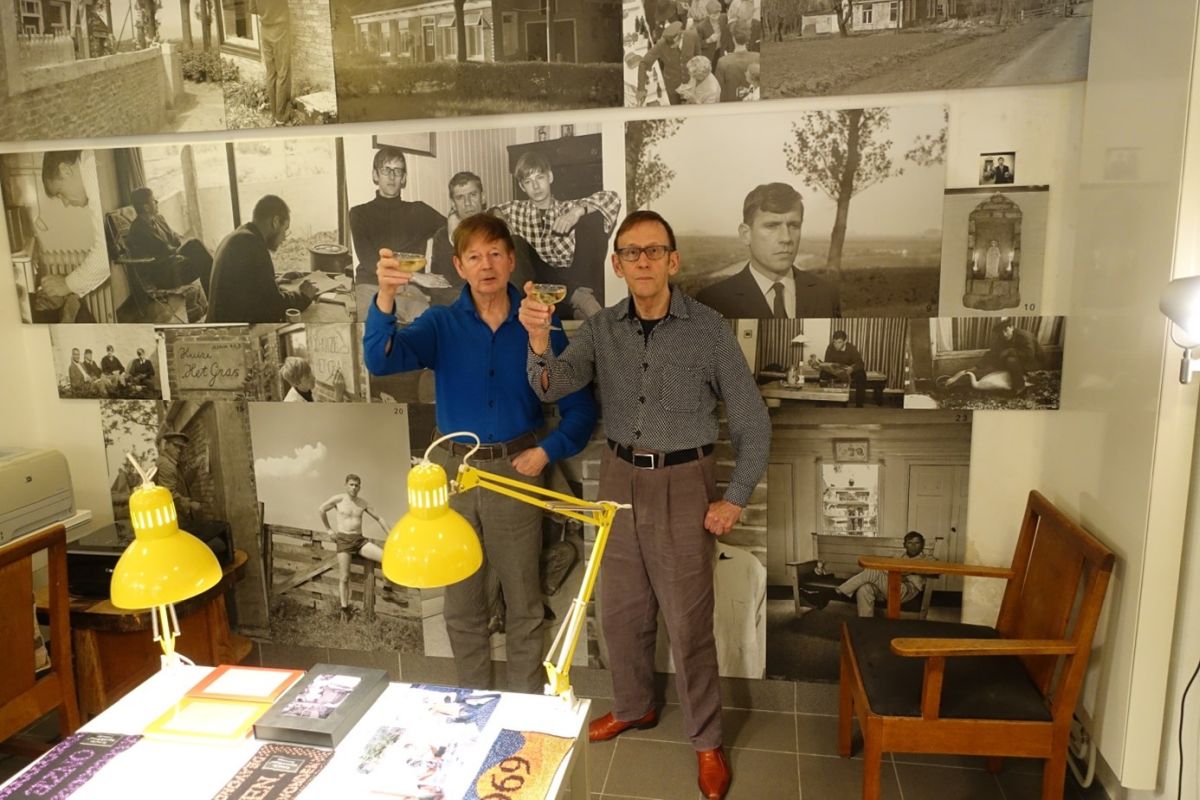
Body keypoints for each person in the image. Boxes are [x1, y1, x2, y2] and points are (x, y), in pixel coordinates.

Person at [519, 209, 771, 800]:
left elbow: (753, 423)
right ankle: (635, 707)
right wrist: (538, 341)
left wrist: (734, 499)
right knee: (621, 612)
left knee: (688, 624)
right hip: (618, 479)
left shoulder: (709, 330)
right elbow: (554, 386)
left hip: (685, 483)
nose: (643, 261)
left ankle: (707, 741)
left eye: (654, 251)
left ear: (672, 261)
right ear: (617, 264)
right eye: (631, 252)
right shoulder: (601, 328)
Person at [363, 214, 597, 694]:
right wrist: (385, 296)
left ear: (511, 261)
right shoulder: (441, 324)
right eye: (474, 256)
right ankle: (473, 704)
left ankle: (523, 709)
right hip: (456, 476)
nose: (486, 265)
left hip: (518, 474)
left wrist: (545, 452)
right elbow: (379, 360)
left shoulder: (541, 326)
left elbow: (580, 410)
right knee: (462, 604)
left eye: (495, 254)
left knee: (524, 603)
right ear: (459, 266)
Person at [489, 150, 620, 320]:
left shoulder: (566, 208)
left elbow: (612, 198)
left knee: (591, 216)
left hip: (570, 277)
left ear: (550, 177)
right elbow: (490, 211)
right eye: (528, 182)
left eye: (540, 178)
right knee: (515, 242)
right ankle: (579, 301)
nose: (536, 186)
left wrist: (576, 213)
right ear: (522, 187)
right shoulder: (515, 210)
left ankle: (578, 304)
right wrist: (502, 223)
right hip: (537, 286)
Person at [696, 183, 840, 319]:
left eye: (794, 226)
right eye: (772, 226)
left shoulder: (826, 294)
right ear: (746, 234)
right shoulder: (712, 302)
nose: (786, 238)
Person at [208, 195, 319, 323]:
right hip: (232, 332)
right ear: (275, 222)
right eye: (285, 230)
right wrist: (303, 295)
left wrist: (274, 282)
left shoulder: (240, 236)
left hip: (222, 324)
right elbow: (273, 308)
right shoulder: (252, 244)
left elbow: (247, 289)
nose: (284, 238)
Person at [428, 171, 537, 302]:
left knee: (516, 242)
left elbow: (521, 279)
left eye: (473, 195)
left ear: (483, 197)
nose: (467, 203)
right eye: (460, 198)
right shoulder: (443, 236)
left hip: (504, 300)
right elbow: (439, 285)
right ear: (453, 203)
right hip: (464, 303)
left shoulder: (500, 230)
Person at [349, 147, 445, 286]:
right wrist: (414, 276)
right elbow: (371, 262)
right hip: (373, 285)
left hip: (410, 290)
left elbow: (456, 232)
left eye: (397, 171)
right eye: (386, 170)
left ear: (403, 178)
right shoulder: (359, 214)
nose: (392, 176)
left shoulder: (420, 211)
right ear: (375, 175)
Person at [33, 150, 110, 323]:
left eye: (60, 193)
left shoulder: (93, 177)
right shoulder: (92, 164)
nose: (65, 203)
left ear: (66, 170)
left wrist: (66, 284)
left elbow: (105, 254)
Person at [318, 474, 388, 621]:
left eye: (356, 485)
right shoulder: (338, 499)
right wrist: (329, 530)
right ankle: (344, 610)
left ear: (360, 487)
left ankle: (387, 589)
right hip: (344, 540)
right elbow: (321, 509)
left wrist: (391, 535)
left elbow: (379, 518)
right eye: (351, 484)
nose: (354, 488)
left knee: (387, 558)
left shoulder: (363, 503)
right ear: (346, 485)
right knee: (344, 577)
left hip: (359, 541)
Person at [126, 186, 215, 298]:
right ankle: (216, 299)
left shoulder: (159, 219)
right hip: (162, 274)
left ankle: (214, 299)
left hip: (175, 264)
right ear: (146, 207)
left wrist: (176, 249)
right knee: (197, 249)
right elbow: (158, 252)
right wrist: (176, 251)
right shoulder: (137, 230)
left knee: (204, 261)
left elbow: (175, 239)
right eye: (153, 200)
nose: (157, 202)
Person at [836, 531, 933, 617]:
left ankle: (840, 591)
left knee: (873, 571)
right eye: (910, 543)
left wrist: (907, 573)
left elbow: (932, 572)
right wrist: (898, 573)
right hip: (891, 585)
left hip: (907, 590)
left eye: (917, 543)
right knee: (864, 588)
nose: (913, 546)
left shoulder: (928, 559)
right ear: (904, 545)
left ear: (922, 544)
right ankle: (866, 623)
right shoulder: (899, 557)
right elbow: (887, 571)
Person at [939, 317, 1041, 395]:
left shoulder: (1024, 336)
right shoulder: (1001, 339)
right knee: (989, 368)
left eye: (1006, 330)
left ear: (1012, 327)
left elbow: (1030, 355)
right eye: (1001, 332)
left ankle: (1020, 387)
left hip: (1031, 363)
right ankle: (959, 382)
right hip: (1015, 361)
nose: (1004, 334)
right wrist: (976, 367)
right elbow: (992, 354)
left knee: (1011, 360)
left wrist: (1010, 351)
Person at [250, 0, 292, 124]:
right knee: (282, 72)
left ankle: (274, 114)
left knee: (271, 73)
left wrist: (267, 13)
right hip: (280, 29)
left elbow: (253, 9)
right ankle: (280, 116)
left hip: (265, 30)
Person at [156, 430, 203, 521]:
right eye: (175, 446)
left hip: (176, 514)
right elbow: (168, 493)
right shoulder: (166, 465)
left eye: (181, 447)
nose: (179, 450)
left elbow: (183, 484)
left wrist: (195, 467)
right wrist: (190, 504)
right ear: (166, 445)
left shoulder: (173, 463)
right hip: (172, 516)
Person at [637, 21, 686, 106]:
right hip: (672, 84)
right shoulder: (661, 44)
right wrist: (641, 89)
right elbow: (643, 63)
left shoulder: (691, 37)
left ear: (680, 36)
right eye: (670, 45)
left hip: (690, 82)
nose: (671, 47)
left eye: (673, 45)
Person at [715, 22, 758, 102]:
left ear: (733, 38)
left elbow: (719, 91)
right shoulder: (757, 57)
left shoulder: (723, 62)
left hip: (731, 104)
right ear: (748, 38)